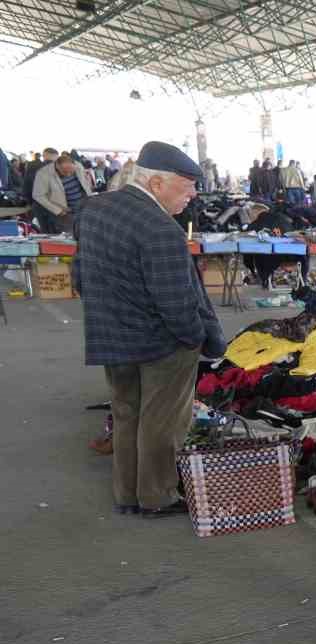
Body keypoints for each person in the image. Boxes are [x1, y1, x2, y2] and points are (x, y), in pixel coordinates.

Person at [76, 142, 225, 518]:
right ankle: (157, 497)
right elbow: (176, 303)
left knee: (126, 414)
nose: (193, 195)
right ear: (157, 183)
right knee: (162, 422)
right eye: (188, 185)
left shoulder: (94, 209)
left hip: (112, 338)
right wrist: (194, 338)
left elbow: (79, 273)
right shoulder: (162, 229)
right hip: (162, 344)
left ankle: (127, 494)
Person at [32, 153, 95, 233]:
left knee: (84, 231)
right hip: (61, 211)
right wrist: (58, 211)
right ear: (57, 166)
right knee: (68, 234)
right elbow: (38, 195)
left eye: (71, 172)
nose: (68, 174)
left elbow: (84, 183)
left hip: (81, 208)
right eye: (65, 172)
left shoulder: (78, 166)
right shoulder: (43, 173)